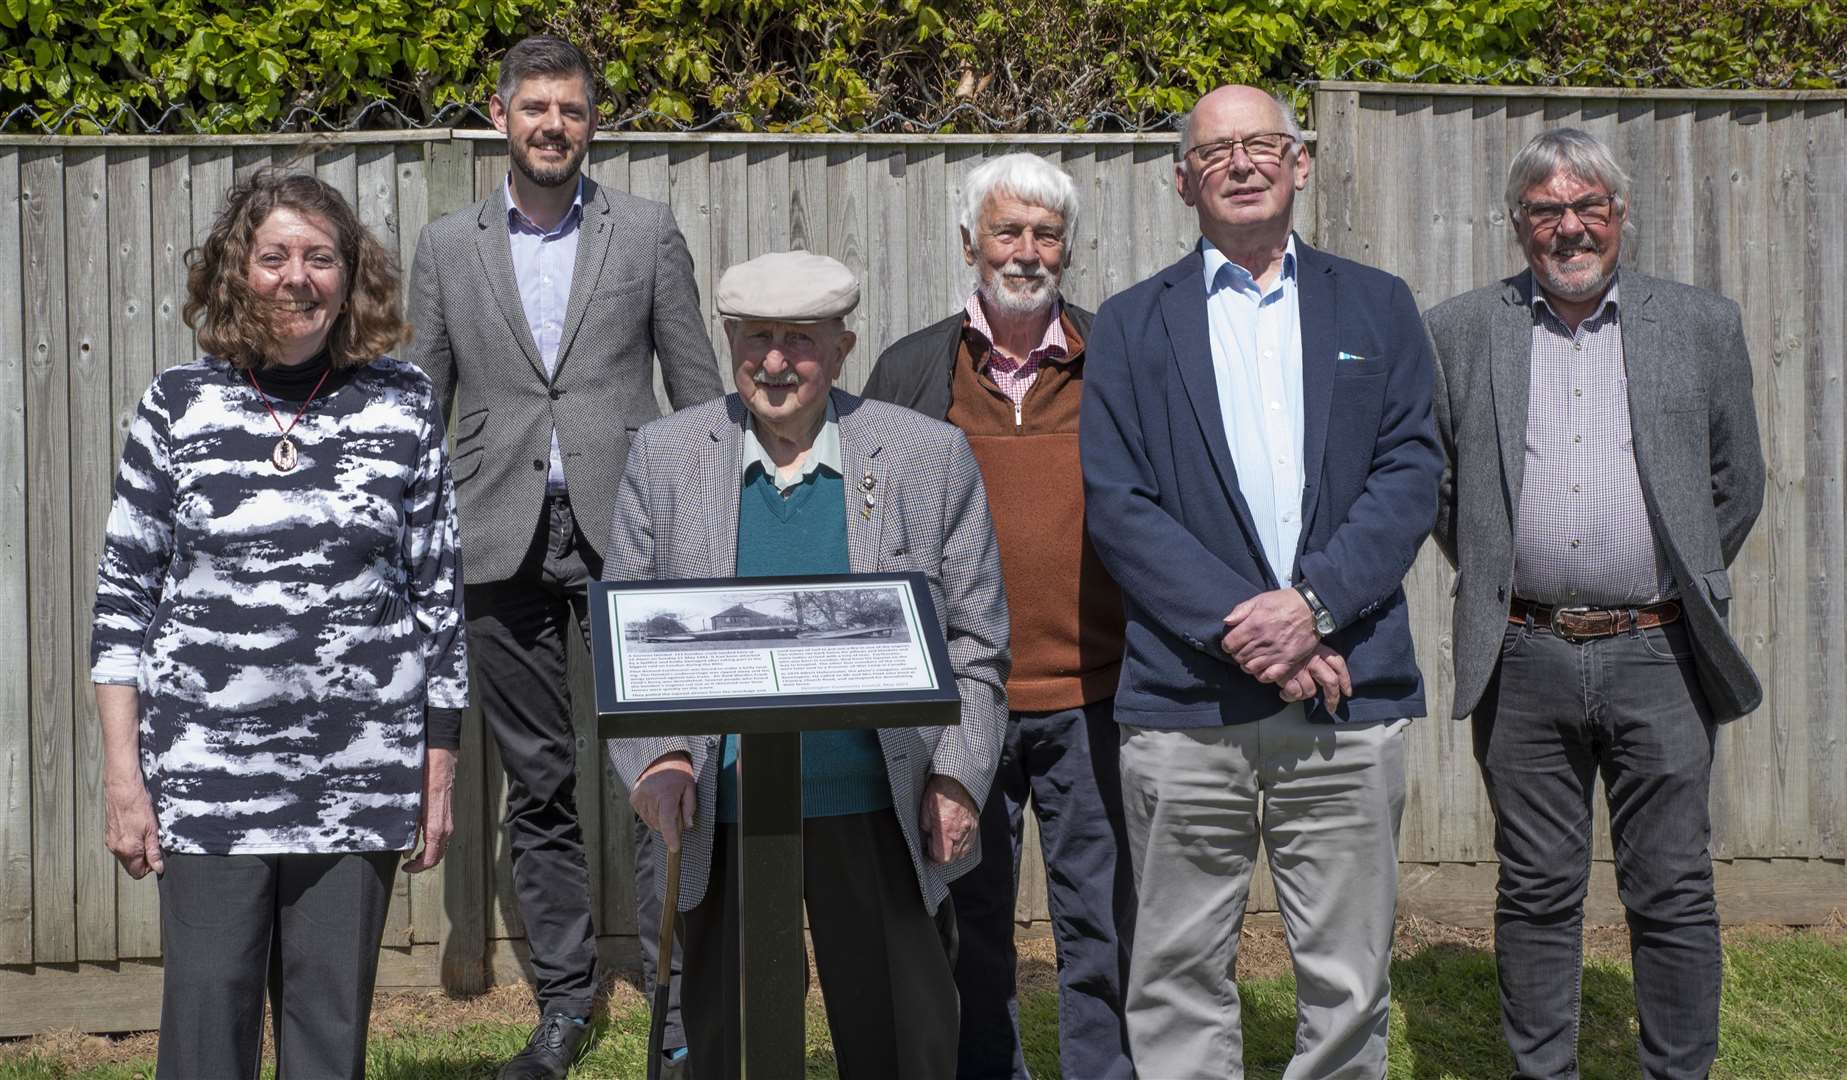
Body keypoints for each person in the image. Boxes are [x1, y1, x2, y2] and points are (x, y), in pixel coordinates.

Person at [1079, 85, 1442, 1078]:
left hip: (1346, 693)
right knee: (1175, 967)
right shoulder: (1127, 325)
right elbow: (1118, 503)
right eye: (1214, 150)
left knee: (1347, 975)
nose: (1239, 163)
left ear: (1299, 162)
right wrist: (1253, 630)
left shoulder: (1376, 306)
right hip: (1187, 705)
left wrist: (1312, 608)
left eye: (1259, 144)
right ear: (1180, 178)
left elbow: (1408, 473)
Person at [89, 168, 466, 1080]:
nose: (297, 277)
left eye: (320, 257)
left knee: (329, 1033)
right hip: (212, 782)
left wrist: (438, 767)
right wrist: (123, 778)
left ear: (351, 277)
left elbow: (440, 600)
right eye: (274, 256)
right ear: (236, 271)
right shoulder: (176, 405)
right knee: (206, 1026)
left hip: (358, 772)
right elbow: (121, 602)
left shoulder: (403, 403)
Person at [403, 35, 724, 1079]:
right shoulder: (449, 246)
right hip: (496, 534)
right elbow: (419, 404)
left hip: (630, 531)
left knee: (658, 765)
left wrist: (708, 526)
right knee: (537, 783)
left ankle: (672, 1002)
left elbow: (697, 395)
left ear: (593, 122)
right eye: (533, 107)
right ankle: (563, 1003)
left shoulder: (646, 233)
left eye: (571, 110)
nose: (552, 125)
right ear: (500, 117)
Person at [608, 251, 1010, 1080]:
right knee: (738, 1052)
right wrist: (660, 758)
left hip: (881, 807)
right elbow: (628, 641)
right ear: (729, 345)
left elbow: (975, 642)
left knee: (901, 1044)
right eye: (756, 338)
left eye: (800, 339)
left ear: (842, 348)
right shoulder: (665, 457)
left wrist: (957, 778)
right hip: (726, 810)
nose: (776, 361)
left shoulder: (924, 456)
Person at [1425, 128, 1764, 1080]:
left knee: (1672, 888)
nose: (1568, 228)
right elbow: (1446, 492)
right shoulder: (1459, 329)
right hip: (1522, 650)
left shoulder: (1700, 323)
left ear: (1618, 217)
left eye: (1587, 208)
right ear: (1518, 224)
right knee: (1535, 890)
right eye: (1545, 211)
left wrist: (1676, 575)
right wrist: (1502, 574)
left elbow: (1734, 484)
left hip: (1658, 650)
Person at [861, 152, 1132, 1080]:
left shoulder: (1114, 359)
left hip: (1092, 694)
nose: (1026, 252)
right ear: (969, 241)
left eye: (1045, 234)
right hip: (963, 707)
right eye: (1007, 232)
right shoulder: (912, 370)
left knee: (1100, 918)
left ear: (1069, 246)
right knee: (969, 923)